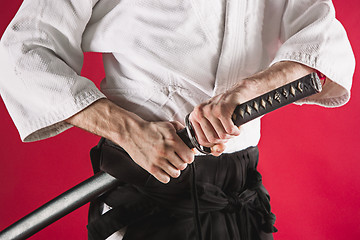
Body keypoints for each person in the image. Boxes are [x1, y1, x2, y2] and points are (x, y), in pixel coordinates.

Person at [0, 0, 354, 239]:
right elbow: (23, 53)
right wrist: (128, 130)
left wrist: (249, 91)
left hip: (240, 189)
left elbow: (322, 44)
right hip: (145, 181)